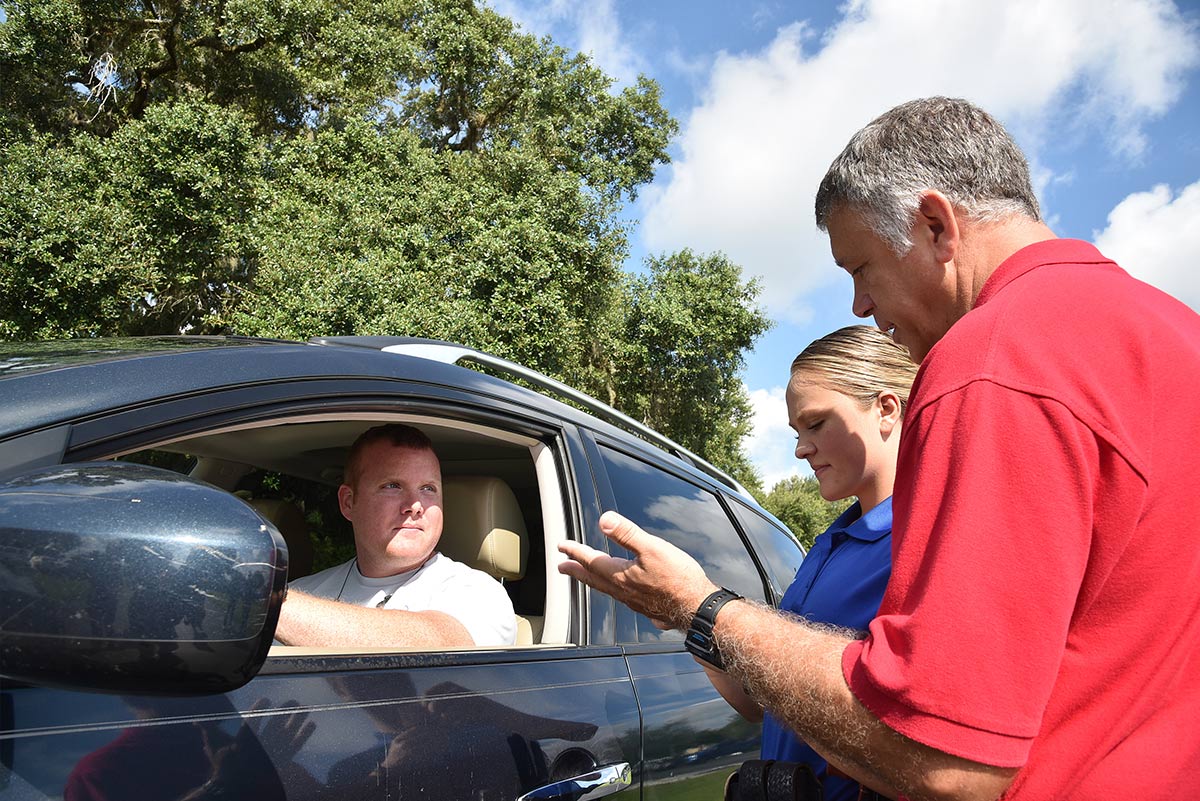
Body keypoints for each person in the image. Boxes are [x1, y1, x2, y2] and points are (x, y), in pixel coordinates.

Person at [558, 96, 1200, 800]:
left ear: (935, 225)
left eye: (860, 266)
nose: (860, 305)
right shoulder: (1174, 334)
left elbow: (945, 757)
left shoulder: (995, 356)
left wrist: (705, 610)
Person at [705, 325, 916, 801]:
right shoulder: (826, 545)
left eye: (816, 424)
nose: (801, 449)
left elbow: (922, 744)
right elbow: (761, 702)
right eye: (797, 432)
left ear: (886, 408)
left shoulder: (923, 541)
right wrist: (682, 609)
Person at [275, 423, 516, 648]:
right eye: (392, 486)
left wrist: (264, 606)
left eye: (428, 489)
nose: (415, 505)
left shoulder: (479, 593)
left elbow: (441, 648)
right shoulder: (302, 592)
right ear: (348, 503)